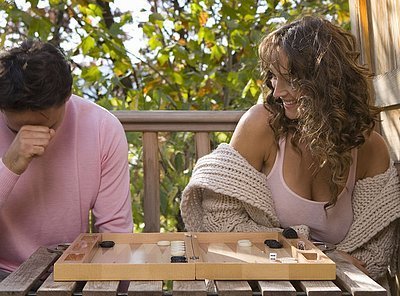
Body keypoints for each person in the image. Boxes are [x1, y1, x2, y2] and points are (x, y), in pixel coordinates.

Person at [180, 16, 400, 286]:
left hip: (338, 289)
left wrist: (323, 267)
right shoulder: (262, 126)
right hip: (261, 284)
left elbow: (376, 252)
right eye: (273, 77)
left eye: (291, 79)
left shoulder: (368, 147)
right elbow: (220, 219)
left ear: (327, 82)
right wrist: (314, 255)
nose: (277, 92)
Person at [0, 39, 133, 275]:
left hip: (71, 272)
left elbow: (115, 232)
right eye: (16, 130)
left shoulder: (103, 128)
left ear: (67, 96)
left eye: (47, 126)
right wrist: (9, 167)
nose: (31, 138)